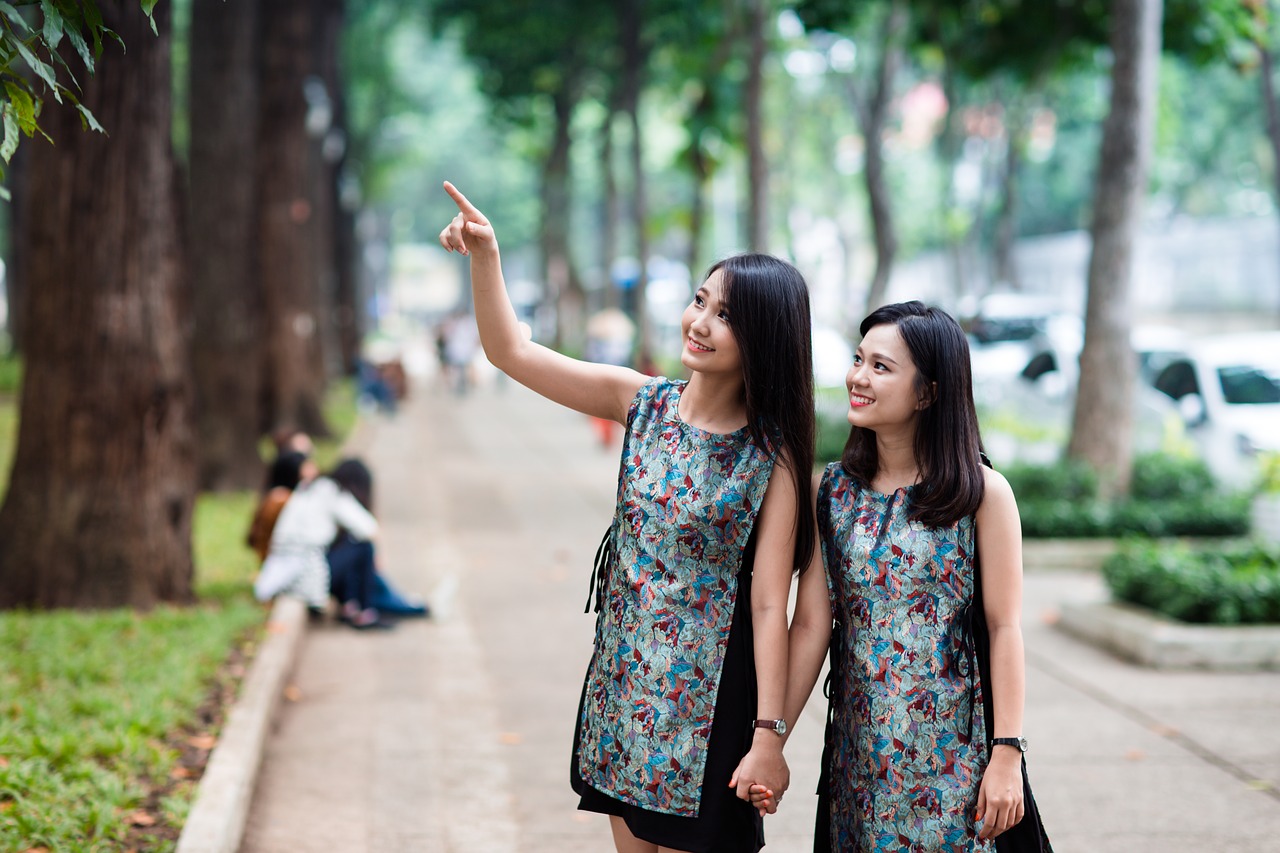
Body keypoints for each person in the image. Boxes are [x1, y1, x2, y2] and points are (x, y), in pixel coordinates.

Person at [438, 181, 816, 853]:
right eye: (699, 300)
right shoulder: (638, 402)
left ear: (761, 337)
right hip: (625, 684)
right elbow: (510, 353)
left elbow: (768, 606)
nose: (699, 322)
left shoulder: (772, 456)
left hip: (711, 708)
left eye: (724, 314)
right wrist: (486, 257)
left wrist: (768, 735)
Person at [750, 301, 1029, 851]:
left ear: (927, 392)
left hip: (955, 767)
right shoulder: (831, 492)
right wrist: (770, 739)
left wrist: (1007, 753)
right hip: (859, 761)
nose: (857, 377)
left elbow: (1005, 628)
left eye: (881, 367)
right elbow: (810, 626)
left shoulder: (981, 494)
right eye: (858, 360)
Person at [253, 452, 390, 630]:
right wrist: (378, 556)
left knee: (349, 545)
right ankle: (363, 612)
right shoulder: (331, 491)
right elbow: (368, 528)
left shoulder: (306, 490)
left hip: (282, 575)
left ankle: (351, 606)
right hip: (307, 576)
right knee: (362, 546)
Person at [327, 457, 430, 617]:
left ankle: (412, 605)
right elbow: (370, 529)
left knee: (377, 584)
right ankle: (415, 607)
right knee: (364, 549)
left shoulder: (326, 493)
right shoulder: (337, 496)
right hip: (327, 576)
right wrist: (376, 559)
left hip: (332, 574)